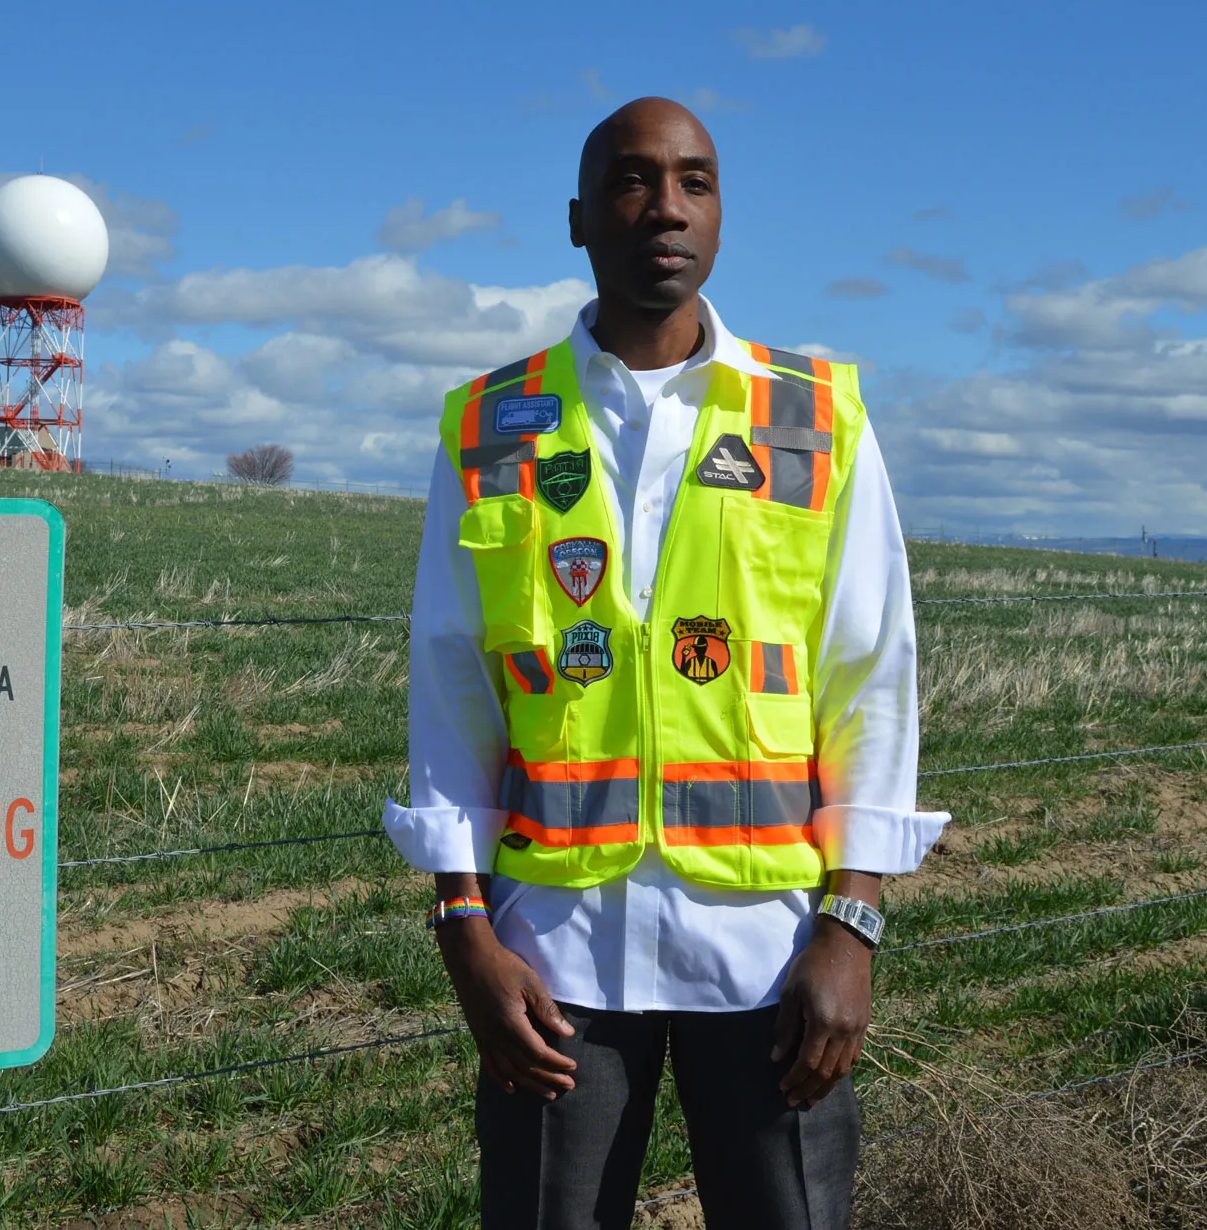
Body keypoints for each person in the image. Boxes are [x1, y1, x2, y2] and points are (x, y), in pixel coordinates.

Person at [384, 98, 947, 1230]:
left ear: (722, 212)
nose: (666, 208)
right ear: (579, 216)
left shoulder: (813, 419)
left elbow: (868, 673)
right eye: (634, 181)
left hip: (770, 952)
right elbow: (452, 681)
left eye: (695, 181)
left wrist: (855, 922)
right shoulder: (494, 423)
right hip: (553, 956)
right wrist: (462, 923)